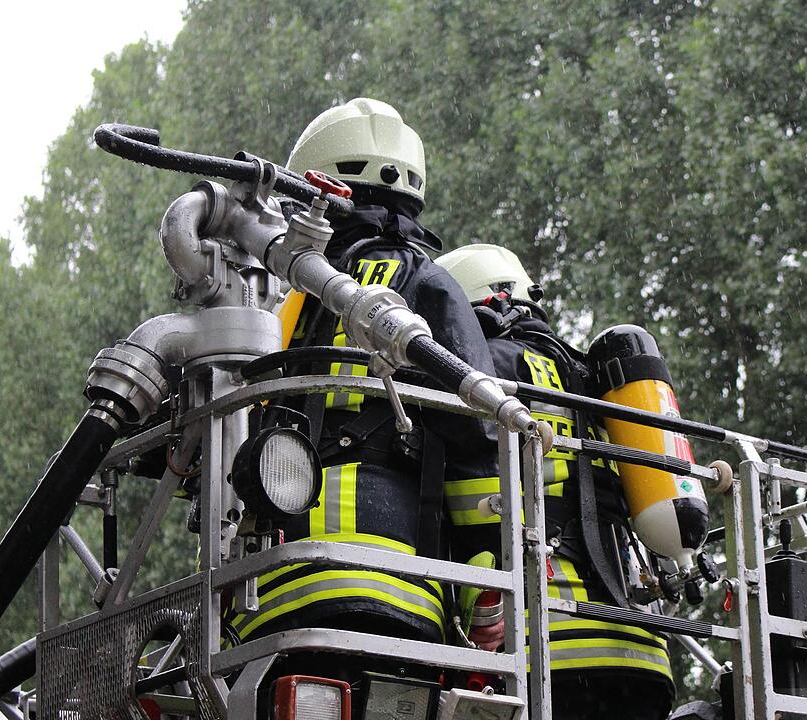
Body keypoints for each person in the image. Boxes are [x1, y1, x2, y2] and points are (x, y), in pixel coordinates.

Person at [228, 99, 498, 692]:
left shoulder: (286, 304)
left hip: (273, 589)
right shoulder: (426, 282)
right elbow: (480, 435)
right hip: (401, 584)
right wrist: (485, 591)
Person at [435, 244, 675, 720]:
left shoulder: (476, 370)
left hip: (543, 649)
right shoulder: (595, 380)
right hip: (641, 652)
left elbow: (450, 501)